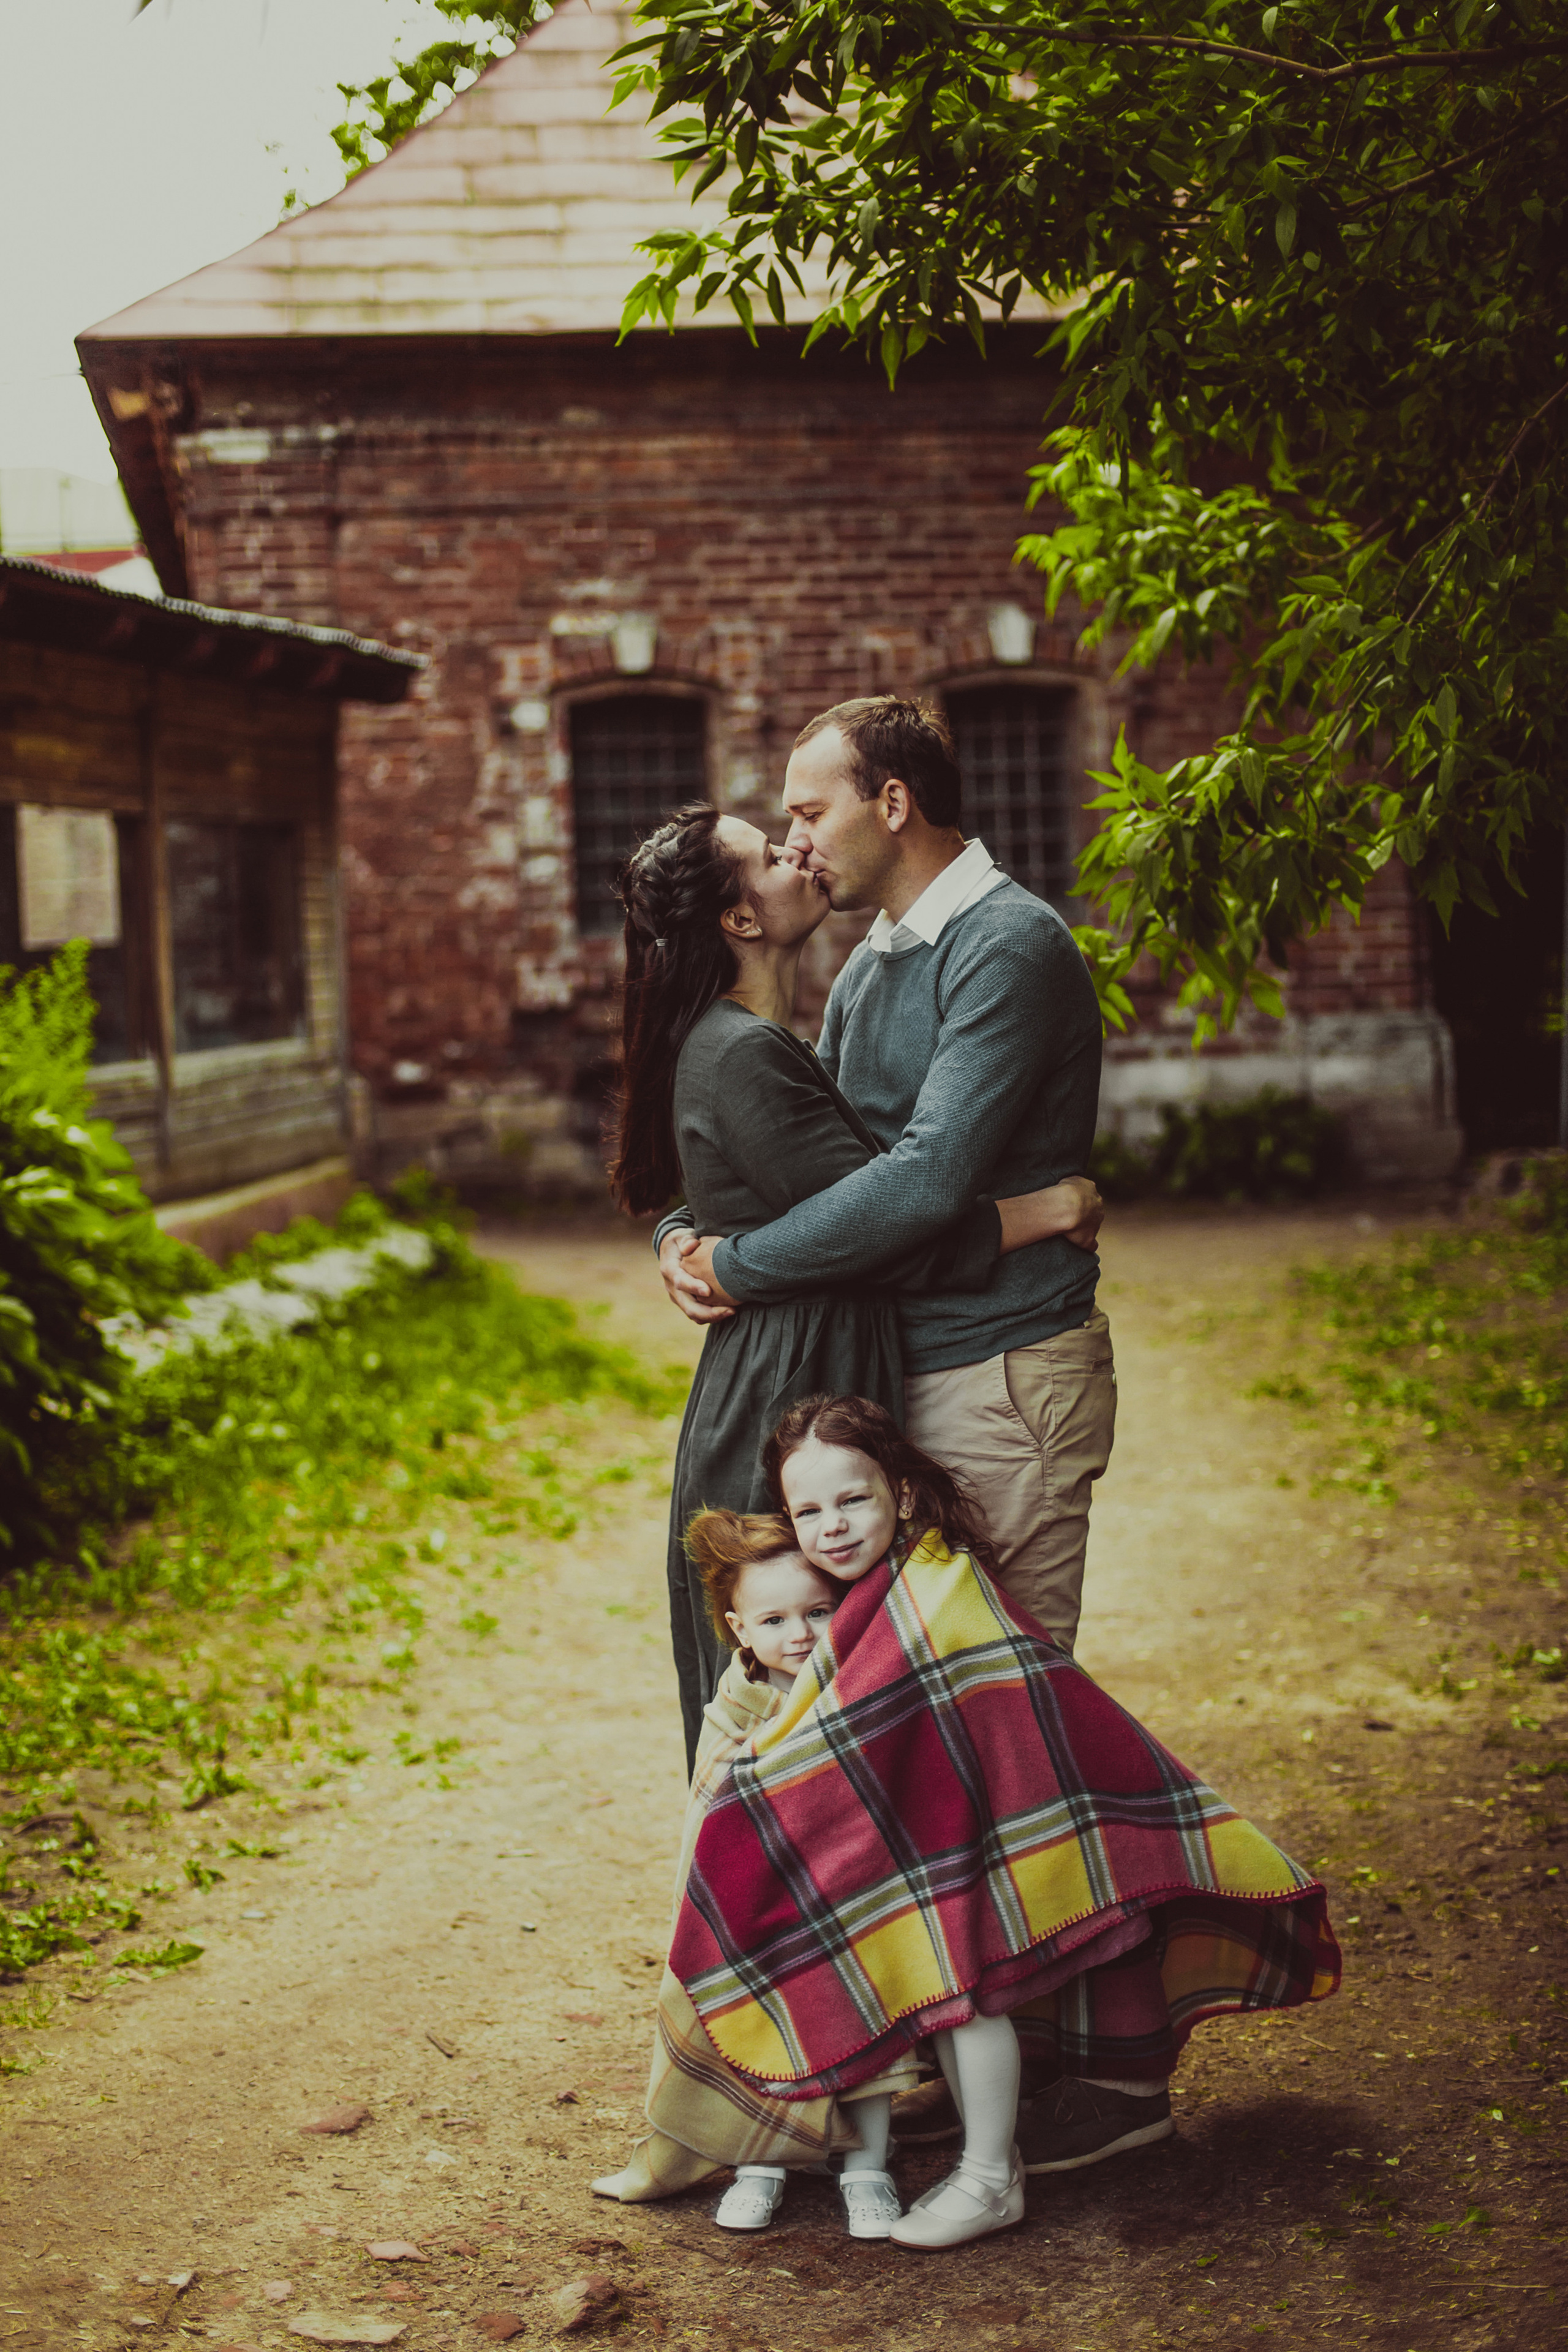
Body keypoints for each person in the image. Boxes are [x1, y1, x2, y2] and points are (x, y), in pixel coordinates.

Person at [663, 1394, 1340, 2236]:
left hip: (984, 1841)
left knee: (962, 1985)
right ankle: (963, 2157)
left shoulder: (936, 1587)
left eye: (853, 1500)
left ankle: (990, 2176)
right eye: (809, 1511)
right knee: (942, 1984)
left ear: (902, 1495)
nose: (832, 1526)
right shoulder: (861, 1592)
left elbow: (959, 1709)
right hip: (926, 1843)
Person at [611, 801, 1101, 1772]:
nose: (797, 846)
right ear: (740, 921)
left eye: (801, 817)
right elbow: (884, 1229)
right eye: (770, 847)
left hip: (807, 1355)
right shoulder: (744, 1049)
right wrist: (1044, 1212)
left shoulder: (766, 1034)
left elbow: (789, 1199)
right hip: (790, 1375)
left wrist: (693, 1238)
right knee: (783, 1696)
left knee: (826, 1691)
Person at [590, 1507, 914, 2239]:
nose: (798, 1634)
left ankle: (867, 2164)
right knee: (755, 2030)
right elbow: (711, 1817)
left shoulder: (859, 1689)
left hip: (850, 1905)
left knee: (864, 2024)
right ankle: (759, 2164)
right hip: (758, 1910)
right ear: (739, 1630)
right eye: (773, 1620)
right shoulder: (733, 1709)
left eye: (819, 1611)